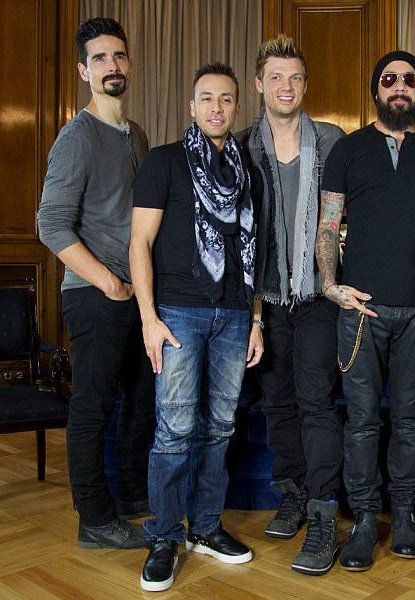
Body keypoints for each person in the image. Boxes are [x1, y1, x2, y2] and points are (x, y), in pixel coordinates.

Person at [316, 50, 415, 572]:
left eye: (410, 79)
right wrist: (329, 285)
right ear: (375, 89)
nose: (400, 86)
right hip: (361, 312)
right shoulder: (348, 150)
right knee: (360, 422)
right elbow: (328, 224)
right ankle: (362, 521)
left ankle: (403, 515)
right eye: (389, 79)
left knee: (409, 418)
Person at [130, 63, 262, 592]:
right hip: (178, 313)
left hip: (234, 314)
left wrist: (256, 319)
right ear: (192, 107)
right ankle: (164, 536)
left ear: (237, 107)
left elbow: (254, 253)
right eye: (206, 98)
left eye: (226, 99)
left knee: (221, 426)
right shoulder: (164, 162)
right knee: (175, 429)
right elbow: (139, 243)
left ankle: (205, 527)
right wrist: (149, 319)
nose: (216, 107)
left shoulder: (247, 171)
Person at [37, 17, 153, 549]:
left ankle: (131, 499)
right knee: (93, 406)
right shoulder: (75, 138)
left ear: (129, 64)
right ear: (84, 71)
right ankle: (94, 520)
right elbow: (51, 225)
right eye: (100, 58)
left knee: (141, 401)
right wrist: (107, 282)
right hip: (94, 295)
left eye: (119, 56)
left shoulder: (137, 135)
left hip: (136, 295)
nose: (112, 65)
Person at [237, 34, 345, 576]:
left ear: (305, 85)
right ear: (259, 84)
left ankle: (324, 514)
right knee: (277, 404)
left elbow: (344, 212)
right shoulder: (241, 147)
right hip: (265, 300)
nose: (286, 86)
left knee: (316, 402)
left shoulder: (330, 140)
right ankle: (294, 493)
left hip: (317, 295)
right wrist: (253, 315)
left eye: (295, 77)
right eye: (276, 77)